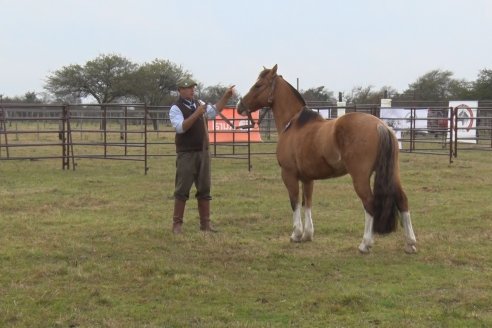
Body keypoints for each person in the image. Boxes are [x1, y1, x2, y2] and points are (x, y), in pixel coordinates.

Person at [169, 77, 235, 234]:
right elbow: (180, 128)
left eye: (193, 87)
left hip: (203, 152)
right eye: (188, 87)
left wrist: (226, 96)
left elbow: (214, 111)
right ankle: (177, 224)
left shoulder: (199, 103)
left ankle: (205, 224)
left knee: (205, 188)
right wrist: (197, 113)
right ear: (180, 90)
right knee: (182, 188)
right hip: (186, 153)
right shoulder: (175, 108)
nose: (192, 90)